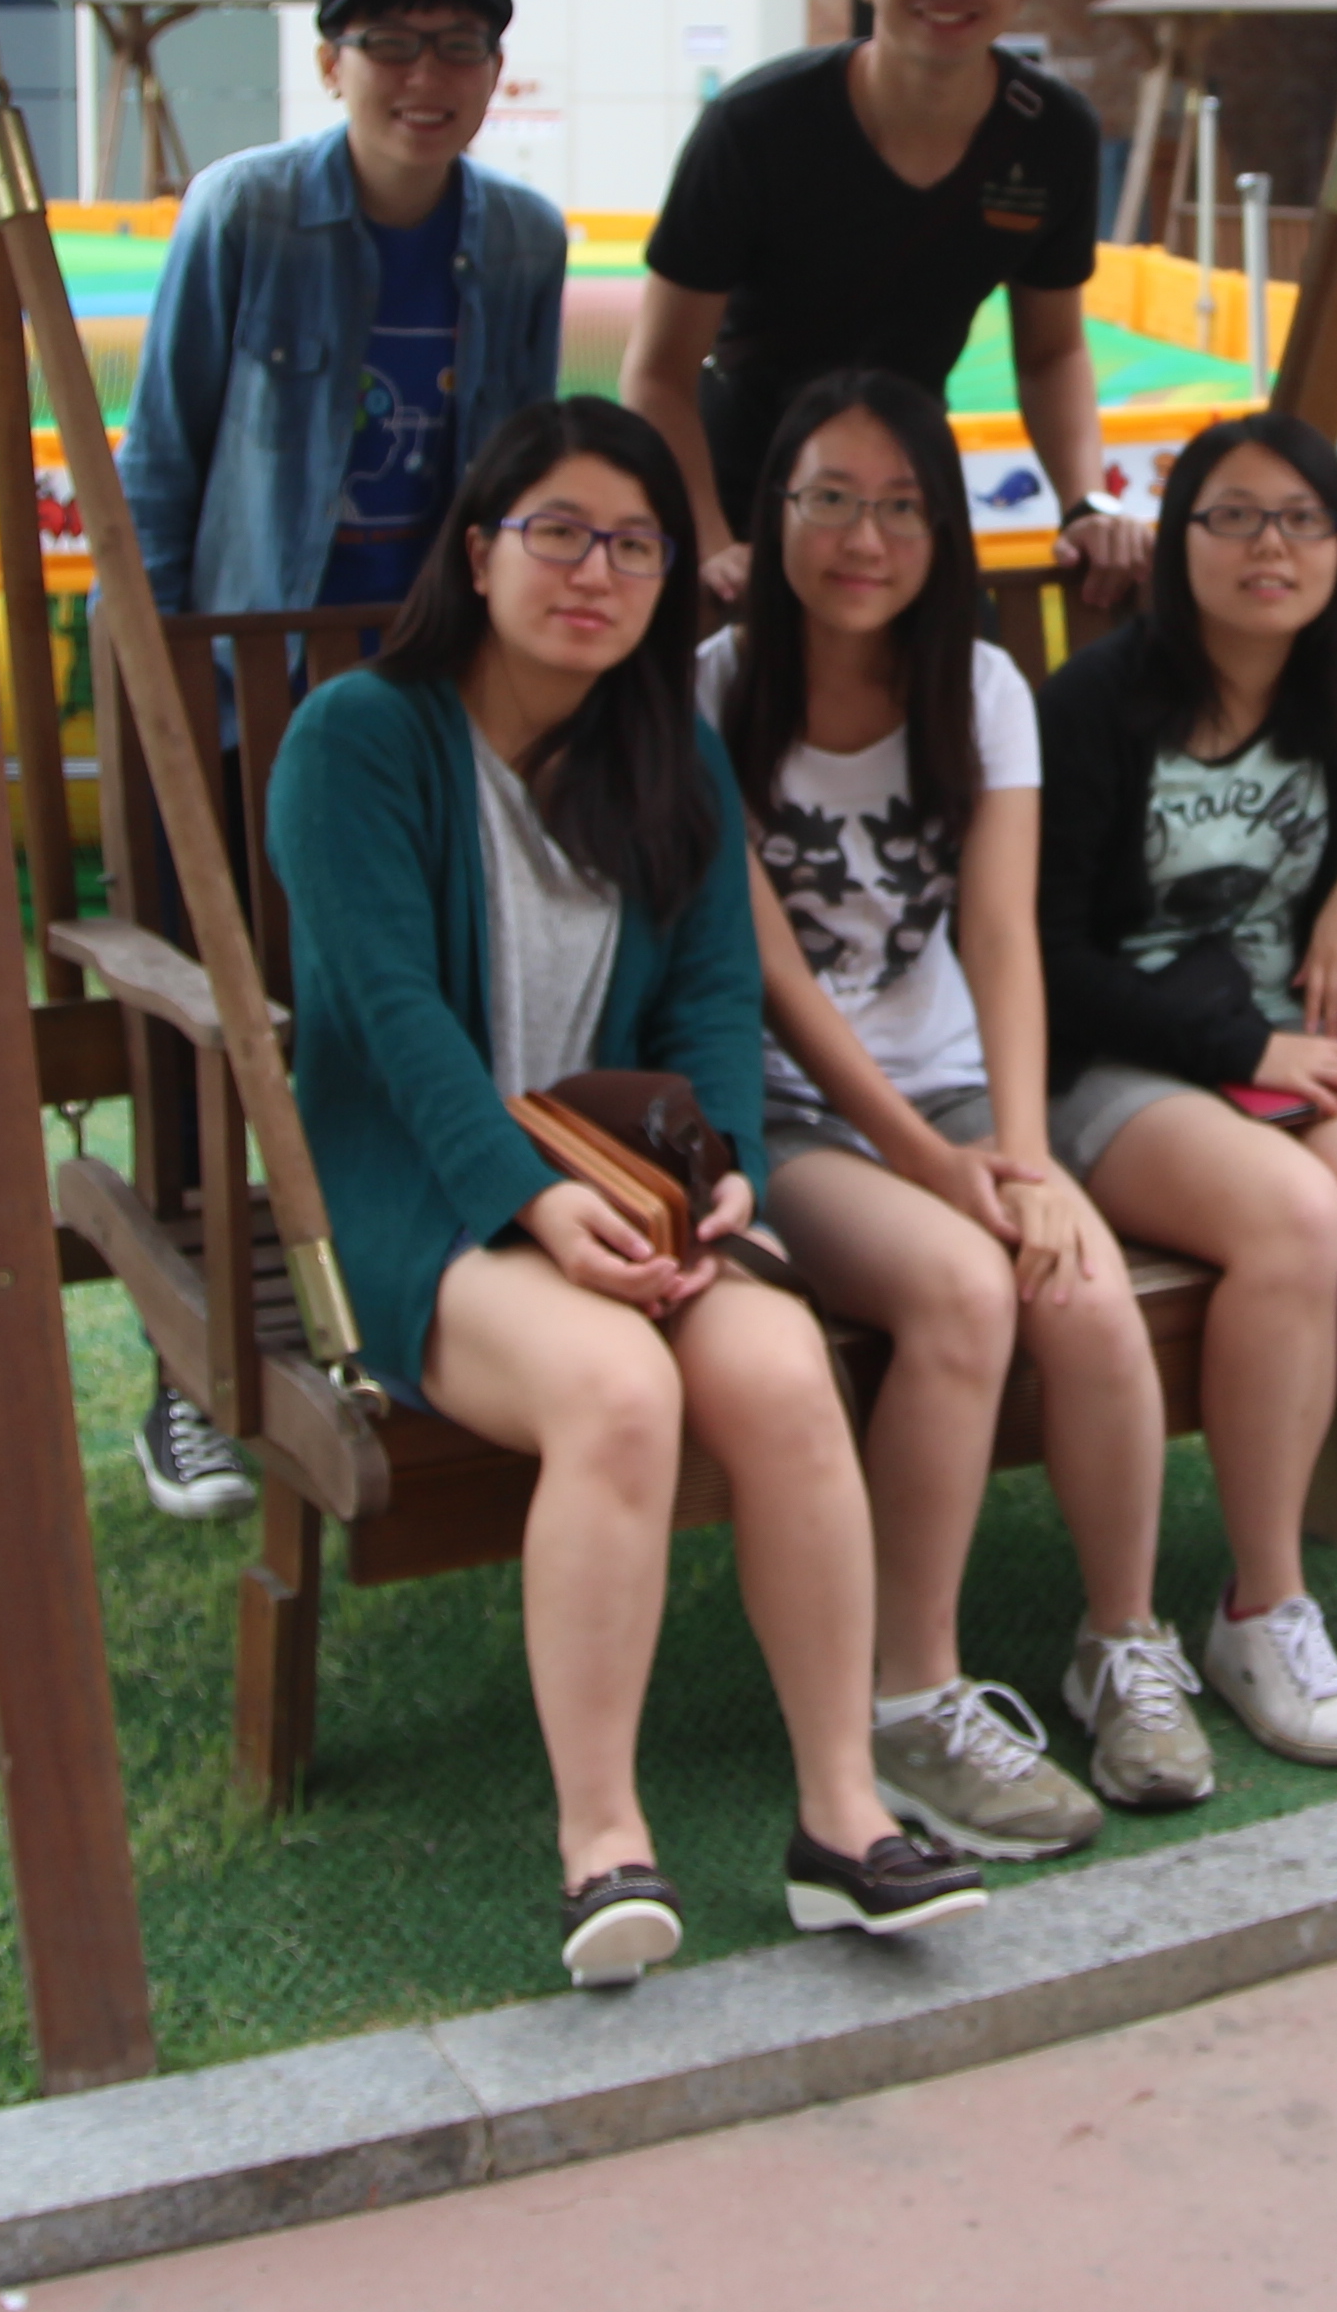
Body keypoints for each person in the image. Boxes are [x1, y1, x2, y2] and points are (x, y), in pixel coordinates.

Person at [268, 399, 985, 1984]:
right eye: (561, 533)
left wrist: (719, 1177)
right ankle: (604, 1839)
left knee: (788, 1377)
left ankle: (842, 1818)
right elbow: (393, 1021)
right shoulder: (361, 741)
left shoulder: (668, 758)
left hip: (633, 1194)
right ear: (480, 551)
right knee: (619, 1393)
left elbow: (711, 1009)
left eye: (638, 545)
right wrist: (532, 1205)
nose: (597, 572)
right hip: (435, 1201)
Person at [699, 368, 1215, 1856]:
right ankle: (908, 1697)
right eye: (830, 500)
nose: (865, 536)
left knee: (1088, 1293)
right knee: (959, 1290)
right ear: (774, 514)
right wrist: (940, 1168)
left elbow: (998, 937)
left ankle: (1122, 1643)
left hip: (959, 1091)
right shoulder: (712, 690)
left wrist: (1031, 1158)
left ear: (946, 527)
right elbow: (773, 974)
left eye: (904, 506)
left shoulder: (981, 687)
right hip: (792, 1116)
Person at [111, 0, 569, 1522]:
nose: (423, 77)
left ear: (494, 67)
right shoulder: (244, 214)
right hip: (247, 708)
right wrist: (168, 704)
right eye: (390, 44)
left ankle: (428, 1302)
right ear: (331, 58)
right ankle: (191, 1374)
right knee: (232, 1031)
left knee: (428, 1007)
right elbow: (157, 471)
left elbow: (516, 482)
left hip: (424, 709)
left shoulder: (518, 240)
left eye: (457, 46)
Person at [1036, 412, 1337, 1765]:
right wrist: (1248, 1053)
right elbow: (1046, 956)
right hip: (1118, 1069)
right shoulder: (1093, 709)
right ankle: (1262, 1603)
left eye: (1304, 521)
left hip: (1283, 1057)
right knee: (1296, 1222)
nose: (1273, 547)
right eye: (1234, 517)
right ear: (1177, 539)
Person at [628, 0, 1152, 613]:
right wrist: (710, 542)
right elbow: (658, 369)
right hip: (745, 492)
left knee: (948, 716)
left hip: (910, 484)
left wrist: (1085, 502)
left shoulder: (1051, 136)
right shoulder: (755, 125)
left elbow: (1051, 352)